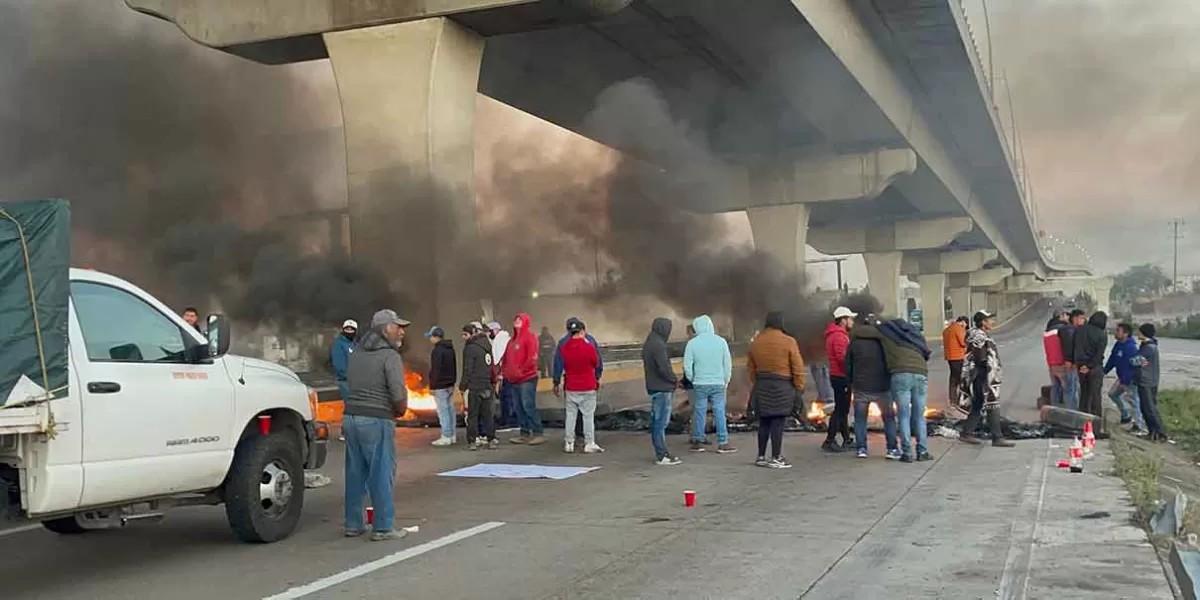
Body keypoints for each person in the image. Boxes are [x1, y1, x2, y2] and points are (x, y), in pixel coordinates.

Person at [342, 309, 410, 541]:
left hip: (351, 418)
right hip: (377, 418)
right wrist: (400, 410)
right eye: (397, 326)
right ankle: (383, 527)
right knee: (381, 473)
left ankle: (353, 524)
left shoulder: (356, 353)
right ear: (385, 329)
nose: (402, 331)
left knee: (355, 473)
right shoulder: (390, 356)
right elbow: (398, 392)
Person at [746, 312, 804, 469]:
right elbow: (797, 367)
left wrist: (758, 383)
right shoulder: (789, 341)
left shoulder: (756, 343)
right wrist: (798, 387)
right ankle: (776, 457)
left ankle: (761, 456)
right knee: (778, 421)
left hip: (762, 384)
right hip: (782, 385)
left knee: (764, 421)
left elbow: (751, 369)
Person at [878, 317, 933, 463]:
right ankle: (922, 451)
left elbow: (867, 332)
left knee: (903, 416)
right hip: (920, 373)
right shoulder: (915, 337)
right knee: (920, 416)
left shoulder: (887, 335)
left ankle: (907, 453)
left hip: (900, 374)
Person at [957, 310, 1014, 447]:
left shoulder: (980, 335)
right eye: (989, 319)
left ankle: (967, 433)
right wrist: (985, 377)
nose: (992, 322)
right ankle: (997, 437)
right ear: (983, 322)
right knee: (991, 404)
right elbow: (980, 357)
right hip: (982, 377)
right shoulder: (978, 336)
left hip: (983, 376)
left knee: (978, 405)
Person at [845, 314, 898, 459]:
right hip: (882, 387)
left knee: (860, 419)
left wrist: (850, 383)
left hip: (861, 387)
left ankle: (862, 449)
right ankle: (892, 449)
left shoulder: (854, 343)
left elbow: (848, 366)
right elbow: (892, 363)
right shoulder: (885, 342)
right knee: (888, 419)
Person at [684, 315, 736, 454]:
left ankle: (698, 442)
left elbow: (687, 366)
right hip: (718, 383)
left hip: (700, 383)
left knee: (699, 411)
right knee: (719, 411)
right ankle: (723, 443)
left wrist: (693, 378)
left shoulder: (692, 344)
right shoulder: (721, 342)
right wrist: (726, 380)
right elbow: (727, 364)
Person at [556, 318, 604, 453]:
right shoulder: (588, 346)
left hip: (571, 386)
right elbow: (596, 362)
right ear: (582, 331)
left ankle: (569, 442)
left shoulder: (564, 347)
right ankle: (589, 443)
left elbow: (561, 364)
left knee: (570, 416)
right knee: (588, 416)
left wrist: (556, 381)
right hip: (588, 386)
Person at [642, 318, 682, 465]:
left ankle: (662, 453)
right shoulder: (658, 345)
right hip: (662, 388)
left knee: (657, 422)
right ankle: (662, 455)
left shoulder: (650, 342)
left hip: (655, 387)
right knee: (660, 423)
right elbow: (664, 368)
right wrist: (674, 380)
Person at [503, 313, 544, 445]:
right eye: (515, 319)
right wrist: (505, 372)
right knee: (518, 407)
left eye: (520, 319)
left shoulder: (530, 337)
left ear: (526, 322)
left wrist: (521, 372)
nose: (516, 321)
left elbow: (532, 357)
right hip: (513, 379)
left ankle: (538, 432)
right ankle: (524, 433)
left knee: (528, 405)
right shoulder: (512, 341)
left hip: (527, 378)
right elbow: (506, 358)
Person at [459, 322, 498, 450]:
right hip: (487, 385)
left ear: (471, 334)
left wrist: (463, 385)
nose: (463, 337)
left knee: (473, 415)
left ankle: (472, 441)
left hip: (475, 386)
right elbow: (491, 366)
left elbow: (467, 369)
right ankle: (491, 439)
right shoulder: (487, 345)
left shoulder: (470, 348)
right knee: (488, 415)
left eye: (465, 334)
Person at [822, 306, 856, 452]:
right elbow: (842, 359)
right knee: (840, 410)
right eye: (850, 319)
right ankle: (829, 441)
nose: (852, 322)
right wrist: (852, 373)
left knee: (843, 410)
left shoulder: (835, 334)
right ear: (843, 320)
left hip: (837, 376)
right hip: (841, 377)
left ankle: (847, 439)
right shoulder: (839, 336)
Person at [552, 317, 604, 401]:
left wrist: (556, 382)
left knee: (572, 410)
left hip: (571, 384)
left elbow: (558, 364)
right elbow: (598, 361)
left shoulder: (563, 343)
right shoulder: (590, 340)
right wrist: (597, 377)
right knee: (588, 411)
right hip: (589, 382)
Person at [1103, 322, 1143, 432]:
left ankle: (1138, 424)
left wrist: (1125, 382)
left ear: (1125, 333)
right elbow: (1112, 360)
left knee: (1134, 401)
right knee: (1113, 394)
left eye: (1118, 331)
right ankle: (1125, 415)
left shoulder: (1131, 348)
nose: (1116, 332)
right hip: (1121, 377)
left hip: (1130, 379)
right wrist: (1104, 371)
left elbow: (1130, 367)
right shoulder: (1118, 345)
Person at [1132, 324, 1167, 442]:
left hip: (1146, 381)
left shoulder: (1148, 348)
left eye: (1140, 332)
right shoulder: (1149, 345)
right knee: (1147, 407)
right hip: (1149, 380)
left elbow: (1134, 361)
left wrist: (1134, 360)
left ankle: (1160, 433)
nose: (1138, 334)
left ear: (1144, 333)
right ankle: (1153, 432)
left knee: (1149, 408)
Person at [424, 326, 457, 447]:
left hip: (440, 386)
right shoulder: (450, 349)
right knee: (450, 410)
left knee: (443, 411)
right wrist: (453, 382)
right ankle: (452, 435)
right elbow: (454, 367)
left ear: (436, 336)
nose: (430, 339)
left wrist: (432, 386)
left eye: (431, 337)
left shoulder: (437, 351)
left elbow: (436, 370)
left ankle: (446, 436)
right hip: (449, 384)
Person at [1074, 311, 1108, 417]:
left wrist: (1083, 366)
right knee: (1095, 395)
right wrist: (1090, 366)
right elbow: (1099, 354)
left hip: (1081, 367)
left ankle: (1082, 419)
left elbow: (1075, 348)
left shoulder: (1080, 330)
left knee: (1084, 394)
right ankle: (1096, 420)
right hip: (1095, 367)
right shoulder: (1102, 334)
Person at [488, 322, 516, 428]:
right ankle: (508, 419)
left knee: (506, 398)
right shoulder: (505, 338)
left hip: (506, 374)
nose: (489, 333)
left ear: (495, 330)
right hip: (508, 374)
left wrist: (499, 374)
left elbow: (499, 358)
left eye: (490, 331)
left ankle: (508, 421)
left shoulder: (500, 340)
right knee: (508, 397)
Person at [1043, 311, 1071, 409]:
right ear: (1060, 317)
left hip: (1051, 363)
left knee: (1055, 387)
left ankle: (1053, 409)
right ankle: (1069, 411)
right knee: (1068, 389)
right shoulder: (1062, 330)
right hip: (1061, 363)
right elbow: (1066, 346)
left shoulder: (1047, 331)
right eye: (1066, 315)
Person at [1060, 309, 1086, 410]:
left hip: (1075, 363)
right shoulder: (1069, 331)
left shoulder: (1074, 329)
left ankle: (1073, 409)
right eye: (1082, 318)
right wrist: (1071, 361)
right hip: (1071, 364)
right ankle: (1071, 410)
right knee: (1071, 388)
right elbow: (1069, 347)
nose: (1083, 320)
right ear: (1075, 318)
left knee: (1074, 387)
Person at [943, 316, 968, 405]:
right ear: (963, 322)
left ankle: (953, 399)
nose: (965, 326)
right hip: (958, 356)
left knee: (953, 378)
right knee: (961, 379)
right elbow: (963, 342)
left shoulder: (946, 330)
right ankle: (961, 400)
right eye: (965, 324)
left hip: (950, 357)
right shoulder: (958, 328)